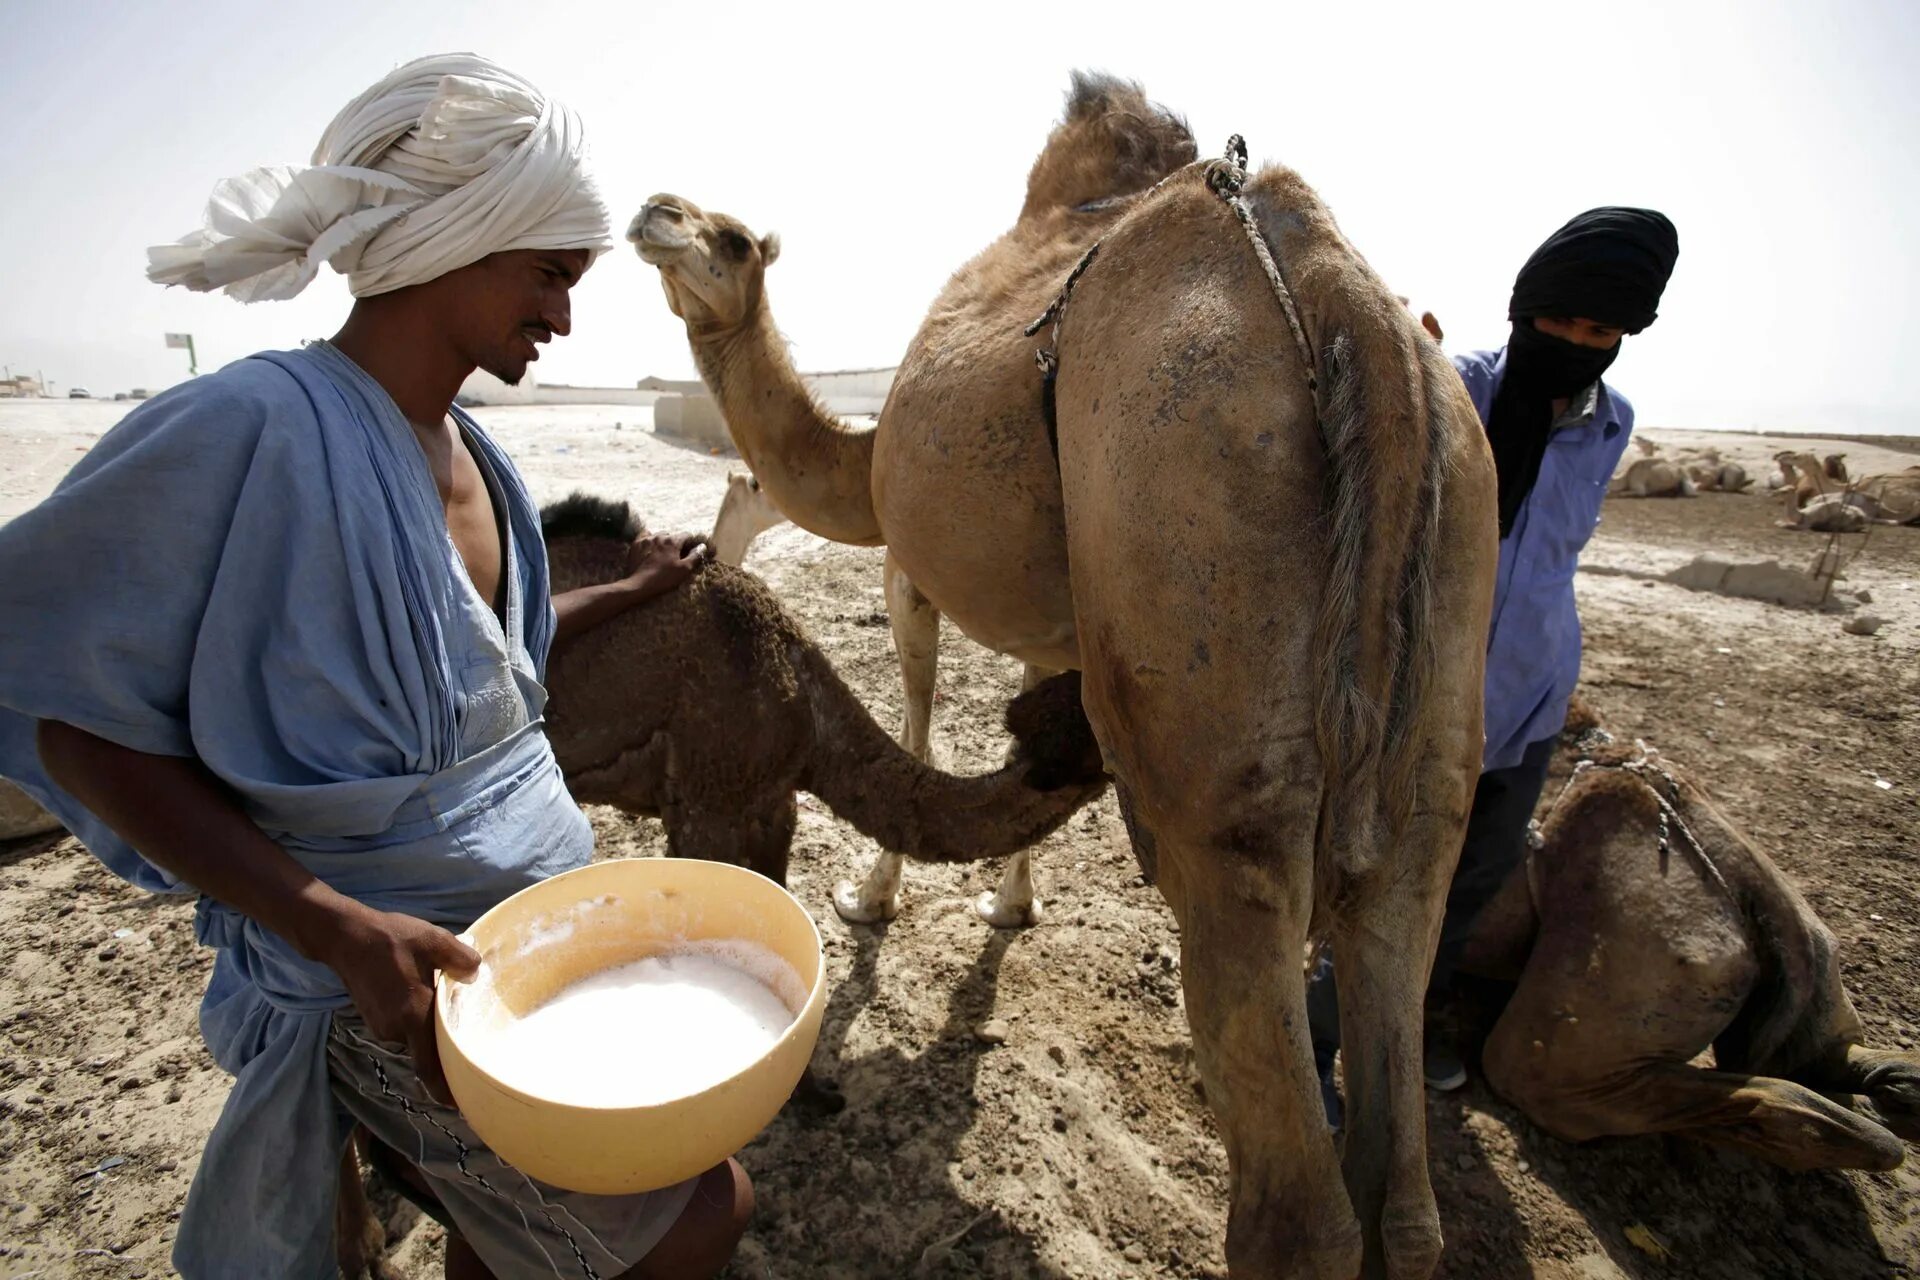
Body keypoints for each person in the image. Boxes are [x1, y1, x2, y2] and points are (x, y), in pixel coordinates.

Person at [0, 54, 746, 1279]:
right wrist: (335, 925)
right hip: (386, 997)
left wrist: (627, 591)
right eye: (552, 273)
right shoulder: (252, 428)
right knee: (701, 1213)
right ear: (462, 235)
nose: (564, 315)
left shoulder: (483, 461)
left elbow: (475, 666)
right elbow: (76, 725)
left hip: (527, 964)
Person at [1309, 207, 1680, 1126]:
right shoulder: (1451, 387)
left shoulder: (1610, 424)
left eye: (1597, 332)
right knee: (1369, 871)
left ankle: (1409, 1027)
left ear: (1623, 337)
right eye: (1556, 322)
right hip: (1424, 691)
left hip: (1531, 697)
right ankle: (1313, 1044)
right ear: (1525, 309)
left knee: (1470, 881)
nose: (1572, 342)